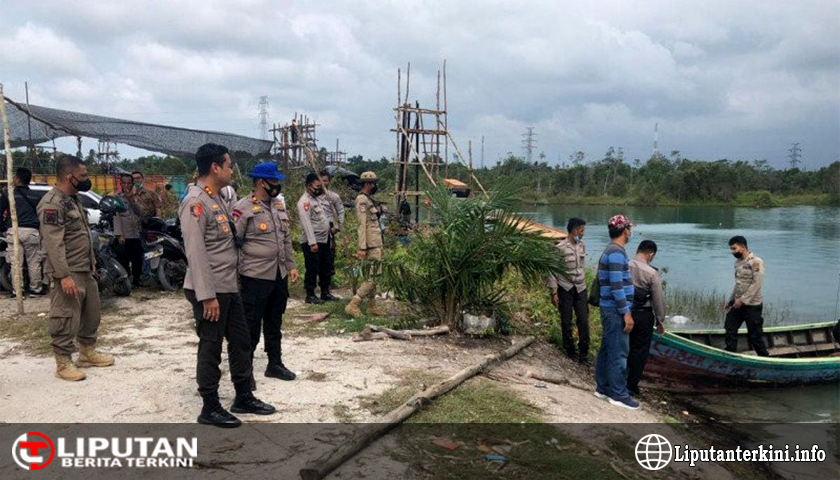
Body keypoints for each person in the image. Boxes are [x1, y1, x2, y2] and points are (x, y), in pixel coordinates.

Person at [180, 143, 275, 428]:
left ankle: (243, 396)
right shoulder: (195, 202)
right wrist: (207, 297)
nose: (232, 170)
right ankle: (209, 406)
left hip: (228, 286)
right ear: (215, 167)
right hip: (210, 289)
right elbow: (196, 253)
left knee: (242, 341)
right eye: (229, 165)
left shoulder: (217, 197)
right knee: (211, 346)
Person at [37, 155, 114, 381]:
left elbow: (80, 236)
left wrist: (91, 264)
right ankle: (63, 362)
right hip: (68, 271)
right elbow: (54, 242)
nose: (86, 179)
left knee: (91, 314)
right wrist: (63, 276)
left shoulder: (74, 200)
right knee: (66, 316)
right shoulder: (53, 203)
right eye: (82, 176)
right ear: (70, 177)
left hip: (84, 268)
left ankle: (87, 352)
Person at [232, 163, 300, 386]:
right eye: (275, 182)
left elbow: (286, 239)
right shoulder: (243, 208)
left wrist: (291, 265)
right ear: (262, 182)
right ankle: (245, 372)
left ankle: (275, 364)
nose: (277, 186)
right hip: (254, 276)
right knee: (250, 326)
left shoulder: (279, 206)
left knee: (274, 321)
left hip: (278, 275)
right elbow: (234, 244)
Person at [594, 214, 639, 410]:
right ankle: (618, 394)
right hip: (615, 310)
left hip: (612, 309)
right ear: (624, 231)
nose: (631, 232)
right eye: (630, 228)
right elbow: (616, 286)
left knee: (607, 349)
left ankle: (603, 388)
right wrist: (626, 313)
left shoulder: (615, 251)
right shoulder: (616, 253)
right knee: (619, 352)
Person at [547, 217, 589, 363]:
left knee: (583, 320)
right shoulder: (560, 248)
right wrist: (553, 292)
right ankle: (570, 350)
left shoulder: (582, 246)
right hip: (565, 287)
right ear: (575, 230)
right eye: (582, 230)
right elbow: (552, 270)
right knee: (566, 320)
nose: (583, 233)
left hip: (581, 287)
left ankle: (584, 353)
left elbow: (581, 266)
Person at [627, 240, 666, 397]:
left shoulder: (625, 265)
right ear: (651, 254)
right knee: (639, 351)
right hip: (643, 316)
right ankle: (631, 385)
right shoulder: (651, 273)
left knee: (624, 347)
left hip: (624, 312)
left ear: (638, 250)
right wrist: (660, 320)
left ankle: (616, 379)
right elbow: (658, 300)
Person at [345, 172, 386, 318]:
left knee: (374, 275)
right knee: (374, 276)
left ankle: (371, 306)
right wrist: (361, 247)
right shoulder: (362, 200)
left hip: (375, 243)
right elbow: (361, 225)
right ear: (368, 184)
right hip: (369, 244)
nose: (375, 186)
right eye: (373, 183)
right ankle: (354, 304)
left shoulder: (369, 199)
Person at [1, 167, 47, 295]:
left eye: (15, 176)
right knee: (34, 262)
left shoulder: (8, 194)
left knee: (16, 263)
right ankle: (35, 289)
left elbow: (0, 212)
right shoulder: (36, 196)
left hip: (13, 231)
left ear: (18, 179)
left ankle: (18, 291)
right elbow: (41, 215)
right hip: (32, 232)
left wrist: (3, 229)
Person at [724, 236, 769, 356]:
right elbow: (738, 284)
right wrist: (730, 301)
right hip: (738, 303)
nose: (732, 252)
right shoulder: (738, 263)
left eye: (734, 248)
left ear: (743, 247)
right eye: (731, 249)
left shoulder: (756, 262)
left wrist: (743, 300)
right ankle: (730, 355)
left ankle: (765, 358)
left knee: (755, 336)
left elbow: (756, 284)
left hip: (752, 305)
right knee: (729, 328)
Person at [297, 172, 334, 304]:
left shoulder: (316, 200)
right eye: (317, 186)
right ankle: (310, 294)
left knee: (325, 267)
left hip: (324, 240)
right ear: (308, 186)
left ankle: (325, 292)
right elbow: (306, 223)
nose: (320, 188)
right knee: (312, 268)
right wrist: (312, 243)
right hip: (313, 241)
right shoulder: (304, 202)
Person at [113, 173, 144, 288]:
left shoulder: (136, 196)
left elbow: (139, 212)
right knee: (124, 259)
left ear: (132, 184)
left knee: (137, 259)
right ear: (120, 184)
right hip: (124, 235)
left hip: (135, 233)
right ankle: (126, 281)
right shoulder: (117, 198)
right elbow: (116, 216)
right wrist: (119, 235)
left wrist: (131, 198)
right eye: (124, 183)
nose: (126, 185)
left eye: (129, 183)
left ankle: (137, 280)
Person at [319, 170, 345, 284]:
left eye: (325, 180)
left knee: (329, 257)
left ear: (329, 182)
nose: (323, 183)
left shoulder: (333, 196)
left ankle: (327, 284)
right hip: (316, 228)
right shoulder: (312, 197)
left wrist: (337, 227)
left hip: (330, 228)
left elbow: (340, 211)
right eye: (320, 180)